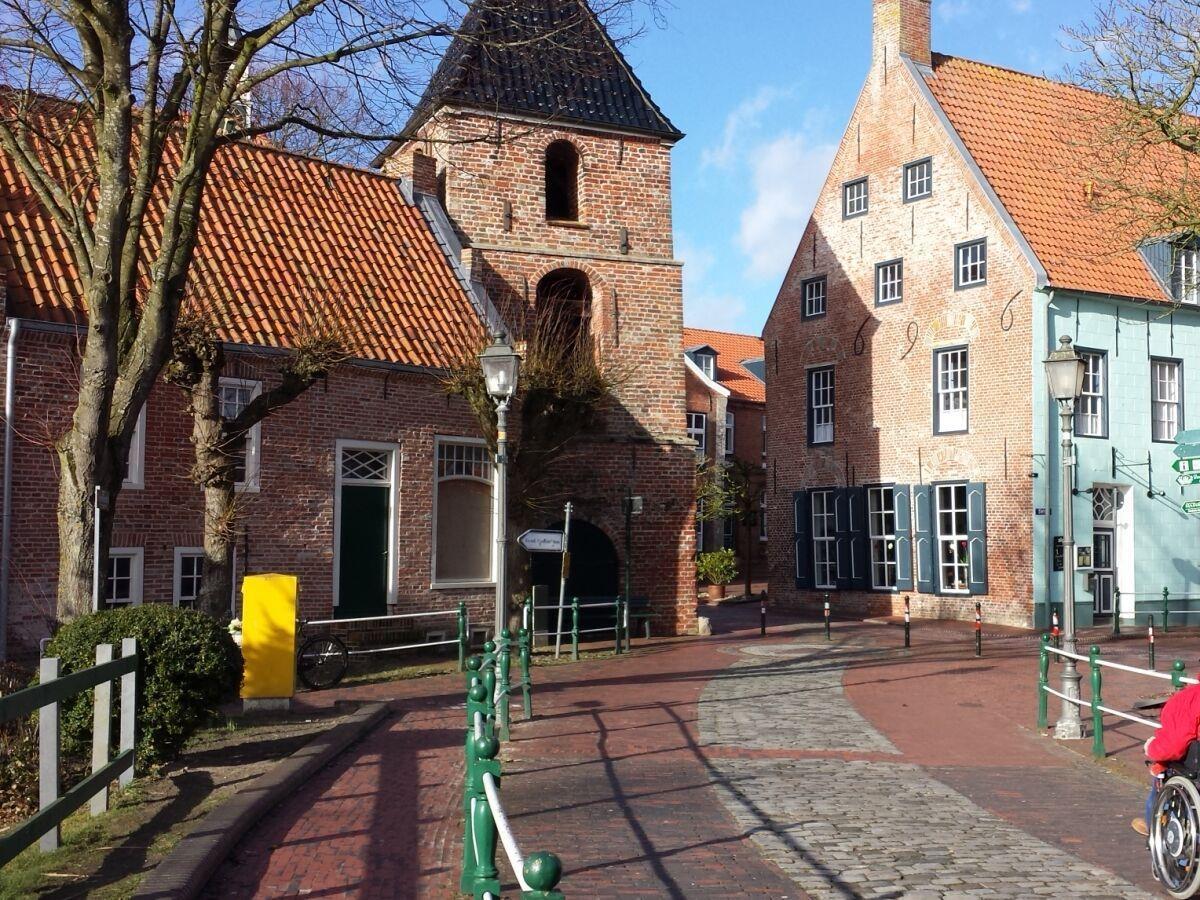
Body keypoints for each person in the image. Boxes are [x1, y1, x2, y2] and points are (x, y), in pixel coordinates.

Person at [1133, 682, 1200, 836]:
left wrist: (1151, 747)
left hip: (1193, 769)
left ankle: (1153, 825)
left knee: (1161, 772)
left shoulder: (1190, 698)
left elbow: (1172, 746)